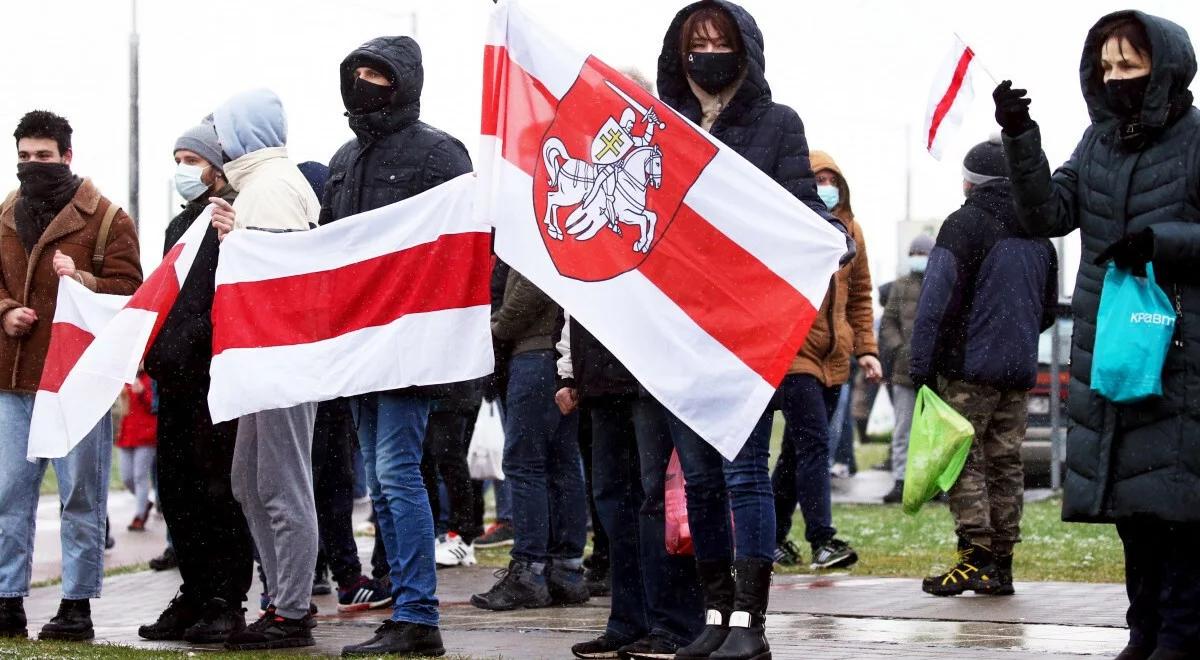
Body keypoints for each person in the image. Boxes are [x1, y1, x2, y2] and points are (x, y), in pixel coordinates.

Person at [995, 11, 1200, 658]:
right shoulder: (1097, 143)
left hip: (1182, 357)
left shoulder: (1196, 139)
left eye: (1128, 66)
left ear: (1161, 68)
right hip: (1115, 350)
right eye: (1106, 67)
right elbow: (1045, 214)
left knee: (1182, 513)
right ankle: (1143, 633)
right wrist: (1020, 137)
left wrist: (1162, 244)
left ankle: (1181, 635)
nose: (1115, 79)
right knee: (1136, 514)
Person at [654, 5, 855, 659]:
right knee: (703, 481)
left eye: (719, 41)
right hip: (683, 330)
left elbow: (798, 205)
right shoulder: (666, 127)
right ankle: (713, 617)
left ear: (746, 49)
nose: (706, 52)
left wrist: (828, 242)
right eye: (695, 42)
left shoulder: (777, 124)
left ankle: (751, 625)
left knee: (745, 477)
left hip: (744, 330)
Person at [319, 36, 472, 657]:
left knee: (396, 471)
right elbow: (330, 246)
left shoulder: (439, 153)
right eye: (356, 72)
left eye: (377, 74)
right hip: (360, 344)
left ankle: (417, 615)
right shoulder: (343, 158)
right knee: (381, 485)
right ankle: (403, 602)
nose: (365, 83)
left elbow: (465, 243)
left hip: (413, 342)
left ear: (403, 82)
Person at [0, 110, 142, 640]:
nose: (32, 165)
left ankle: (76, 606)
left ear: (66, 155)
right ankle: (8, 600)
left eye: (43, 155)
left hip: (78, 382)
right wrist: (6, 309)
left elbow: (132, 291)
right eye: (23, 157)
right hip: (15, 378)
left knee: (82, 497)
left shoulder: (108, 218)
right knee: (8, 495)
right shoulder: (6, 213)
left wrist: (80, 278)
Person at [910, 136, 1057, 597]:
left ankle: (973, 555)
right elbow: (1047, 310)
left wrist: (921, 364)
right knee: (1005, 462)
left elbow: (935, 300)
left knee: (961, 458)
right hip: (1017, 370)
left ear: (970, 182)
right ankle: (1002, 565)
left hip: (968, 369)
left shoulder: (963, 224)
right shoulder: (1039, 233)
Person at [208, 88, 322, 650]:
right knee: (251, 481)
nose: (220, 140)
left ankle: (292, 610)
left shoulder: (273, 185)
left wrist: (241, 242)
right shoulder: (259, 185)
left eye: (226, 128)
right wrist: (239, 236)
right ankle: (282, 600)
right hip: (267, 358)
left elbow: (283, 277)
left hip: (280, 358)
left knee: (281, 484)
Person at [139, 122, 252, 644]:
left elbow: (228, 296)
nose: (183, 169)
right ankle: (195, 589)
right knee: (177, 489)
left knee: (217, 490)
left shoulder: (233, 216)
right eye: (177, 158)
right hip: (175, 379)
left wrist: (190, 341)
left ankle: (227, 598)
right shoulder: (178, 226)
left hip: (214, 376)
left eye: (192, 159)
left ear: (216, 165)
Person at [560, 312, 706, 660]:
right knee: (614, 501)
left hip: (649, 372)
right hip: (600, 373)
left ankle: (675, 624)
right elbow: (572, 297)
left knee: (657, 501)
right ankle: (630, 621)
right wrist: (567, 369)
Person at [770, 150, 878, 573]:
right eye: (819, 178)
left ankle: (774, 536)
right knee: (815, 444)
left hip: (837, 358)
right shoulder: (791, 229)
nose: (827, 187)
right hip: (796, 356)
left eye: (833, 179)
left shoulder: (853, 231)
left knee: (797, 452)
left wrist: (866, 349)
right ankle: (822, 539)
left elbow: (861, 296)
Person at [294, 160, 393, 613]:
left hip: (309, 384)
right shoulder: (326, 253)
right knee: (330, 484)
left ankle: (302, 573)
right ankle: (347, 577)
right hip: (325, 387)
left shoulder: (296, 252)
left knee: (302, 485)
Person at [471, 269, 588, 611]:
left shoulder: (530, 225)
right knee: (561, 463)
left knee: (527, 465)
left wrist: (493, 329)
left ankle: (530, 571)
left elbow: (532, 288)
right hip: (559, 355)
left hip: (536, 353)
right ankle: (565, 570)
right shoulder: (551, 221)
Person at [879, 234, 934, 504]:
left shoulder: (940, 282)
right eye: (915, 252)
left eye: (922, 252)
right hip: (904, 370)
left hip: (935, 373)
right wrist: (900, 347)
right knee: (903, 429)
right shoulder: (899, 287)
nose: (918, 257)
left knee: (933, 431)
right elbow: (888, 321)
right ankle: (901, 481)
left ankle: (931, 483)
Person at [117, 368, 157, 531]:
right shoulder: (127, 376)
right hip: (127, 434)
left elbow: (155, 404)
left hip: (146, 434)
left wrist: (142, 393)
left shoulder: (151, 378)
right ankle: (145, 502)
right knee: (127, 477)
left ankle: (139, 516)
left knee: (140, 476)